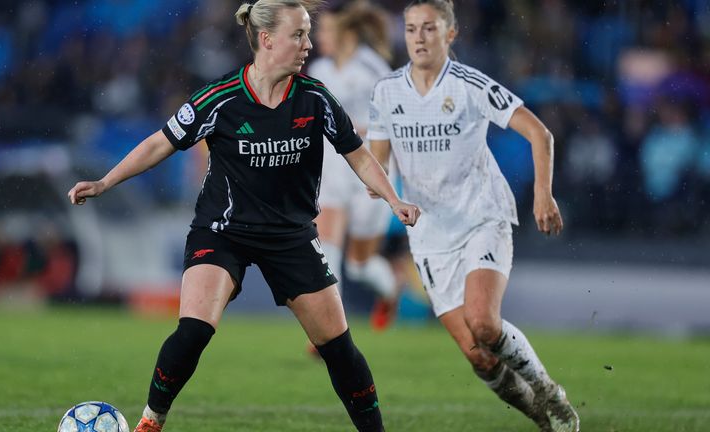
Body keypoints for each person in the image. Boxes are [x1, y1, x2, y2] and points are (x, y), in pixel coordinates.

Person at [67, 1, 420, 431]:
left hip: (291, 235)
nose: (308, 44)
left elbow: (359, 155)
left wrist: (392, 199)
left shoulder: (315, 98)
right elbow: (161, 142)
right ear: (267, 40)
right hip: (223, 231)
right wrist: (105, 182)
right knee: (194, 330)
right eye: (299, 35)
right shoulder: (221, 99)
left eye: (309, 34)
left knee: (339, 348)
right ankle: (150, 421)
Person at [366, 1, 580, 431]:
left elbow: (540, 133)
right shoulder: (386, 92)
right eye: (411, 29)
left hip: (482, 217)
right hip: (429, 236)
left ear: (450, 34)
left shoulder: (469, 84)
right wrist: (384, 195)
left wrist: (543, 195)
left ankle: (549, 392)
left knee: (484, 323)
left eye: (429, 28)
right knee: (479, 357)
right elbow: (376, 166)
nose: (419, 38)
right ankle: (541, 417)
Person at [308, 1, 398, 330]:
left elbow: (393, 120)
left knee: (359, 265)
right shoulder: (319, 72)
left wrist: (355, 130)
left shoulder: (372, 69)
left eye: (326, 30)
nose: (319, 37)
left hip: (368, 169)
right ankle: (331, 329)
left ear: (346, 32)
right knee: (326, 250)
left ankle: (390, 290)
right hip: (332, 170)